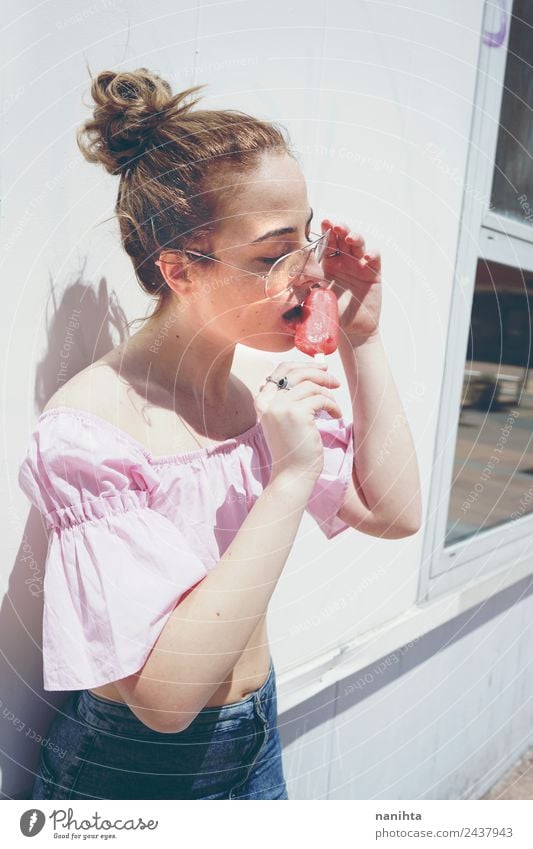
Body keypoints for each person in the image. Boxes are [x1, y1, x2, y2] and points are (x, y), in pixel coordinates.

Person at [18, 68, 421, 801]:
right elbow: (163, 698)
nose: (308, 270)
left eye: (307, 235)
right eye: (273, 254)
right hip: (137, 773)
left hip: (256, 734)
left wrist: (363, 336)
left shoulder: (255, 403)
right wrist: (288, 478)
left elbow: (395, 514)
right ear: (179, 270)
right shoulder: (89, 432)